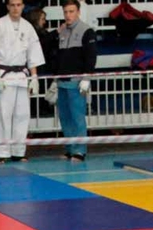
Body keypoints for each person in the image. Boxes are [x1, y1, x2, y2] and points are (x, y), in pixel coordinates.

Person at [0, 0, 44, 164]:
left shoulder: (28, 27)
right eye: (12, 5)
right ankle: (1, 152)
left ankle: (19, 151)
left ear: (23, 6)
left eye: (18, 5)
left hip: (22, 76)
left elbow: (33, 54)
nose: (15, 8)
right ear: (8, 6)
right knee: (3, 115)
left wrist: (34, 77)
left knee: (22, 115)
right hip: (4, 75)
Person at [51, 0, 96, 162]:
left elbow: (91, 57)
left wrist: (86, 78)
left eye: (71, 11)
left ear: (78, 12)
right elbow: (56, 56)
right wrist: (55, 78)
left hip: (77, 82)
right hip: (62, 81)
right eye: (66, 12)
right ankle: (70, 148)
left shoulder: (87, 31)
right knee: (65, 118)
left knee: (77, 117)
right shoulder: (62, 32)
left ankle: (80, 150)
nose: (68, 15)